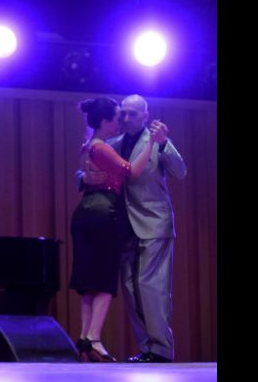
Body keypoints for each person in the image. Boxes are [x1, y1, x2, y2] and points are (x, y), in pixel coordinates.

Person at [80, 94, 186, 363]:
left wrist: (163, 145)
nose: (126, 118)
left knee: (150, 286)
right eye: (123, 113)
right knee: (129, 288)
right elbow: (87, 167)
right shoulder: (113, 143)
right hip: (122, 225)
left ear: (145, 116)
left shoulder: (156, 141)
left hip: (153, 223)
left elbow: (180, 171)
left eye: (132, 114)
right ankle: (148, 347)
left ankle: (161, 348)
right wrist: (84, 177)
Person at [69, 97, 159, 363]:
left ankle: (86, 337)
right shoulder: (102, 147)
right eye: (116, 118)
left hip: (85, 213)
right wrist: (153, 143)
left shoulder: (87, 145)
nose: (120, 123)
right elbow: (131, 171)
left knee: (88, 282)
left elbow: (87, 176)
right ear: (105, 122)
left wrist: (84, 179)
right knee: (106, 280)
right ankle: (95, 338)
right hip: (103, 214)